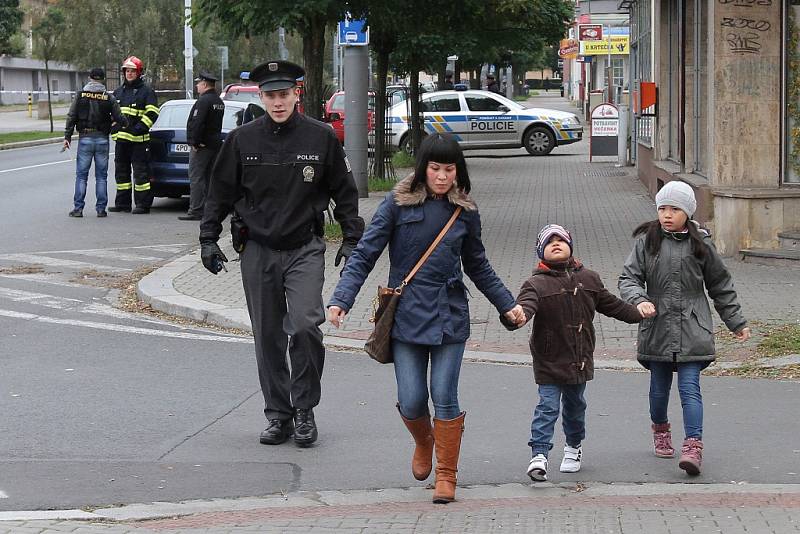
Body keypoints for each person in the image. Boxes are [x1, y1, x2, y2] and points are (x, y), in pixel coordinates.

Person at [327, 133, 525, 504]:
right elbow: (365, 254)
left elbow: (478, 265)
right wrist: (341, 299)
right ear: (423, 168)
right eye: (435, 168)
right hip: (406, 316)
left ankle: (446, 475)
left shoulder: (464, 211)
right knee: (413, 399)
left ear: (457, 171)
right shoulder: (397, 204)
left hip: (450, 314)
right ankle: (423, 440)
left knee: (445, 395)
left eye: (449, 169)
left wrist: (506, 304)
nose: (441, 177)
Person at [199, 60, 364, 448]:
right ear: (261, 96)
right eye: (270, 95)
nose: (277, 102)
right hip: (257, 249)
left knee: (307, 325)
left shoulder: (321, 137)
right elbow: (218, 193)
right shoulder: (242, 140)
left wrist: (352, 238)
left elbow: (345, 191)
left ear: (296, 95)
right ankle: (279, 415)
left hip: (304, 247)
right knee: (268, 336)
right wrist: (208, 238)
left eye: (284, 95)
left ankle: (304, 409)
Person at [619, 181, 751, 476]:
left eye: (674, 209)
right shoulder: (646, 242)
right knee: (658, 389)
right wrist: (639, 300)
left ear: (688, 213)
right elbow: (628, 278)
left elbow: (720, 285)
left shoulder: (701, 243)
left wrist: (736, 322)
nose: (667, 214)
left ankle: (693, 445)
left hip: (693, 326)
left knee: (690, 388)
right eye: (663, 208)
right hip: (657, 327)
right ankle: (661, 429)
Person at [501, 224, 645, 482]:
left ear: (570, 246)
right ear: (541, 252)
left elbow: (612, 305)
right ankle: (539, 455)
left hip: (579, 357)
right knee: (547, 406)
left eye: (561, 240)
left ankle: (573, 447)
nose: (556, 244)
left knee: (575, 406)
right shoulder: (535, 283)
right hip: (549, 359)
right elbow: (525, 308)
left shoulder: (589, 278)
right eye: (549, 242)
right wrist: (516, 318)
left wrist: (638, 314)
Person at [64, 68, 126, 218]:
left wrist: (68, 136)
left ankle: (78, 209)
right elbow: (121, 119)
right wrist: (115, 125)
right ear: (103, 79)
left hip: (85, 137)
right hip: (102, 139)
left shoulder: (80, 95)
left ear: (90, 78)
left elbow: (71, 116)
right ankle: (101, 209)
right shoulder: (108, 97)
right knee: (101, 176)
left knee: (81, 176)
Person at [109, 56, 159, 215]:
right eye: (127, 71)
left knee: (141, 174)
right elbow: (111, 114)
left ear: (139, 73)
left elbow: (152, 113)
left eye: (132, 71)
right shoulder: (118, 92)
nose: (129, 74)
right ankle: (122, 204)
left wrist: (139, 128)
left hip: (139, 141)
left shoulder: (147, 91)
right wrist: (113, 129)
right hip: (121, 141)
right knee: (121, 173)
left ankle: (143, 205)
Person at [180, 70, 224, 221]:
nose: (197, 86)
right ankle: (209, 209)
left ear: (205, 84)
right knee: (209, 178)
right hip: (214, 145)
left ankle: (196, 210)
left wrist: (195, 142)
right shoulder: (219, 101)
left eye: (198, 83)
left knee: (196, 177)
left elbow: (197, 123)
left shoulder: (204, 101)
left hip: (202, 146)